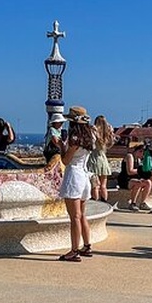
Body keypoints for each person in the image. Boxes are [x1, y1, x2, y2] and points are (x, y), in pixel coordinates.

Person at [57, 106, 95, 262]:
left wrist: (61, 147)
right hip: (85, 176)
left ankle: (74, 251)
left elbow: (66, 160)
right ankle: (86, 245)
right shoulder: (90, 137)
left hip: (74, 176)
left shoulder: (75, 139)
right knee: (82, 214)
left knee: (75, 217)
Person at [117, 142, 152, 211]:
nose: (143, 155)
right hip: (125, 179)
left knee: (148, 182)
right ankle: (133, 203)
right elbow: (130, 171)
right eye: (142, 153)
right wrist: (141, 170)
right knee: (138, 183)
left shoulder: (138, 159)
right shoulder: (130, 156)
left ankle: (142, 203)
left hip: (134, 178)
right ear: (139, 151)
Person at [89, 115, 115, 202]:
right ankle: (105, 201)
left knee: (95, 185)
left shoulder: (94, 130)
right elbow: (110, 144)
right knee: (103, 185)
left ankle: (96, 202)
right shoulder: (107, 133)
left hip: (94, 159)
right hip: (103, 158)